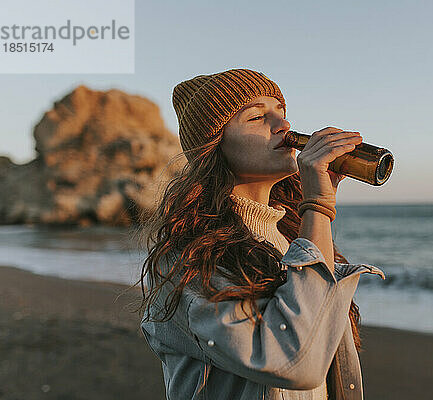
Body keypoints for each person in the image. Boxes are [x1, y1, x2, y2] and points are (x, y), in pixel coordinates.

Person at [136, 68, 385, 400]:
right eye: (256, 117)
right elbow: (295, 362)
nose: (282, 126)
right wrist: (319, 206)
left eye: (280, 112)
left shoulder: (293, 238)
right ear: (214, 146)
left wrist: (316, 213)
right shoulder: (189, 260)